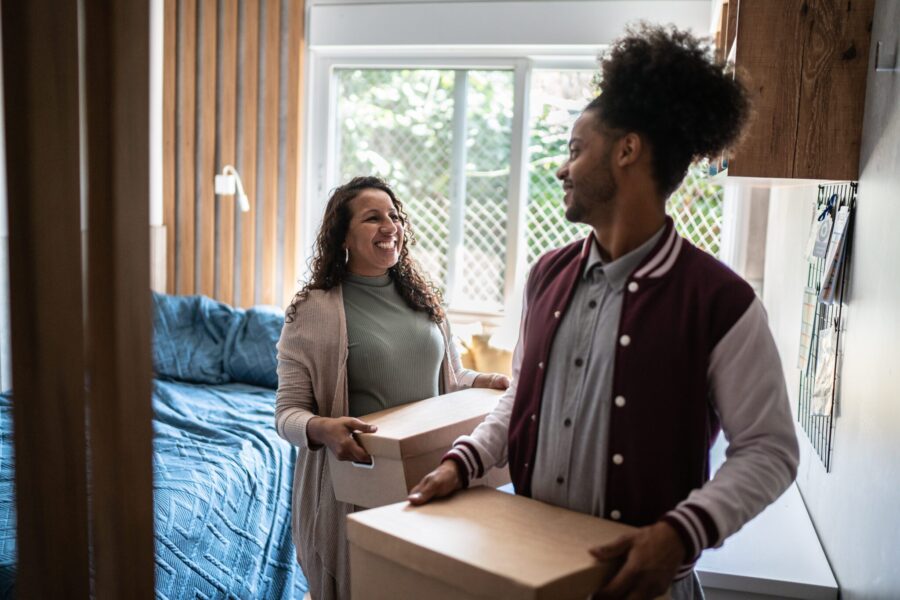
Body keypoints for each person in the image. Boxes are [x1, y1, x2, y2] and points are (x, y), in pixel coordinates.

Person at [408, 24, 799, 599]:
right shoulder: (545, 275)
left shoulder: (721, 302)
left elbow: (770, 450)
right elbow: (522, 396)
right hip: (531, 570)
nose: (562, 169)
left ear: (626, 151)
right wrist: (462, 464)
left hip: (644, 587)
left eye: (574, 149)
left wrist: (679, 532)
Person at [275, 175, 509, 600]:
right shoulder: (313, 310)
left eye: (394, 216)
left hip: (434, 471)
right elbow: (287, 413)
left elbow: (451, 379)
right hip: (361, 483)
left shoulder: (423, 297)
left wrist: (484, 381)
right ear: (342, 234)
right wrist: (322, 428)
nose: (390, 226)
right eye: (372, 218)